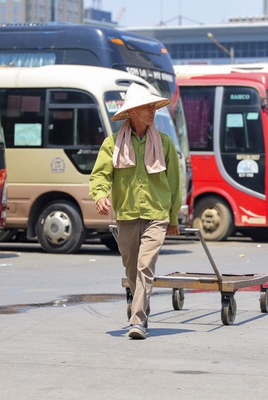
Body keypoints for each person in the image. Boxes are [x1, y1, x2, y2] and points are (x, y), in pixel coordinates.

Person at [89, 83, 182, 340]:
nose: (152, 111)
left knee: (145, 266)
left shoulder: (164, 143)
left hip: (156, 214)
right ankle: (140, 307)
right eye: (147, 106)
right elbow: (99, 176)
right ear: (132, 112)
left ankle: (138, 320)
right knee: (131, 268)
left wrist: (173, 216)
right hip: (127, 214)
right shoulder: (112, 144)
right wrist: (99, 197)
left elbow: (174, 183)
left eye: (153, 106)